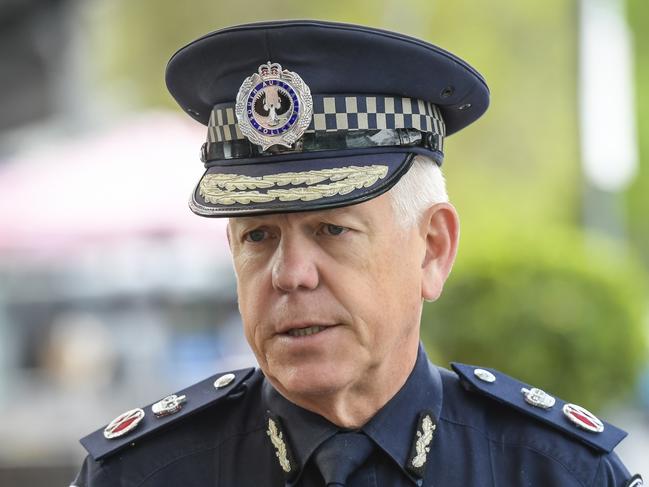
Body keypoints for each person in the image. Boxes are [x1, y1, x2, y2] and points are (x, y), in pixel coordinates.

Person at [71, 20, 642, 487]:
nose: (291, 275)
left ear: (433, 250)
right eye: (258, 236)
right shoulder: (141, 475)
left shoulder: (558, 474)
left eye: (332, 230)